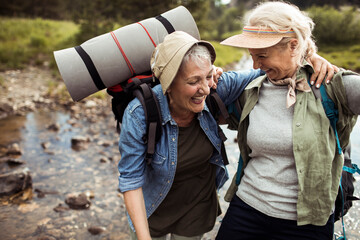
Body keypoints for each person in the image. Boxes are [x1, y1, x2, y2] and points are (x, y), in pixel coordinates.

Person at [117, 31, 336, 240]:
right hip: (152, 209)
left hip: (195, 210)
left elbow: (271, 68)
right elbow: (131, 179)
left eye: (208, 76)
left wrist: (310, 57)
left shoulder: (217, 89)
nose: (205, 89)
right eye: (194, 81)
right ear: (168, 84)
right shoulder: (139, 114)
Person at [215, 2, 360, 240]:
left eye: (262, 56)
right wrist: (209, 72)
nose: (255, 66)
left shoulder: (333, 86)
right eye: (251, 57)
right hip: (247, 208)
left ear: (293, 45)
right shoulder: (251, 89)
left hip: (308, 223)